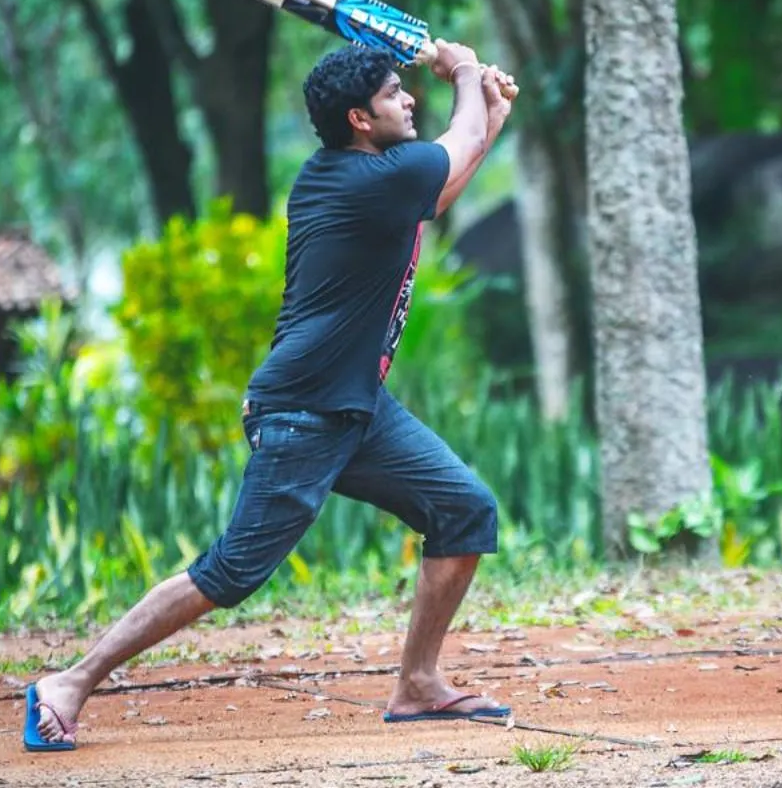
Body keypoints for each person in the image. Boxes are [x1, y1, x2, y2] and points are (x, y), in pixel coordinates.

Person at [25, 38, 517, 751]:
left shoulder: (360, 175)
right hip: (305, 410)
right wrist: (465, 71)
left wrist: (489, 111)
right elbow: (455, 141)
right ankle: (69, 681)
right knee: (231, 570)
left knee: (463, 508)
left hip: (356, 405)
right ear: (358, 117)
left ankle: (417, 683)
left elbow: (446, 177)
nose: (409, 98)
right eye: (393, 93)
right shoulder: (363, 180)